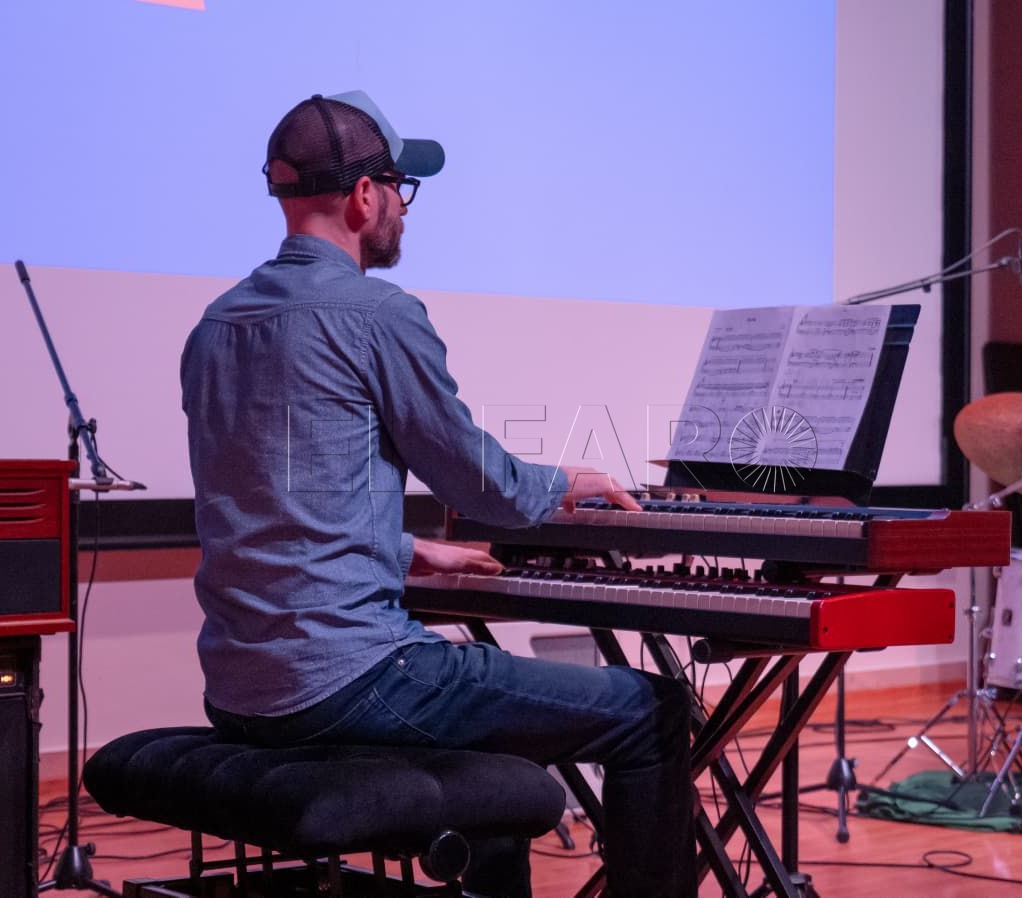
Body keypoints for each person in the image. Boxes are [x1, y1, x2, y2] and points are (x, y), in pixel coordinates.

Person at [179, 91, 697, 898]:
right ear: (364, 195)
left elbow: (268, 504)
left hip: (240, 689)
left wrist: (403, 550)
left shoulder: (216, 325)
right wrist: (566, 484)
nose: (402, 209)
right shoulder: (375, 314)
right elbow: (476, 481)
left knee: (495, 727)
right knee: (652, 710)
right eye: (400, 188)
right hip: (352, 679)